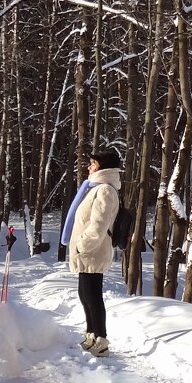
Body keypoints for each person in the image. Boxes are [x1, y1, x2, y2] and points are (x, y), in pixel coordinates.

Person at [60, 147, 122, 357]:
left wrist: (82, 245)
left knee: (93, 296)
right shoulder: (94, 188)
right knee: (84, 294)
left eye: (93, 164)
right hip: (86, 251)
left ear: (103, 167)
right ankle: (91, 334)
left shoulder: (105, 190)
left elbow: (99, 224)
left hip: (92, 250)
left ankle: (101, 340)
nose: (89, 167)